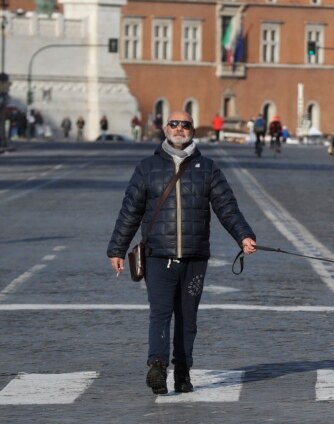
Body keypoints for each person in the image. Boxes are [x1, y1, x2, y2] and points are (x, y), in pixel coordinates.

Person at [106, 111, 257, 395]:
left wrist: (244, 235)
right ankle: (158, 366)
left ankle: (183, 372)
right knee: (160, 313)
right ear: (165, 129)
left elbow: (227, 207)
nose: (179, 129)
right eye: (174, 124)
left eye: (185, 125)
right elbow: (130, 211)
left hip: (194, 257)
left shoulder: (207, 168)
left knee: (187, 319)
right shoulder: (147, 167)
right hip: (157, 256)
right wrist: (117, 248)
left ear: (192, 130)